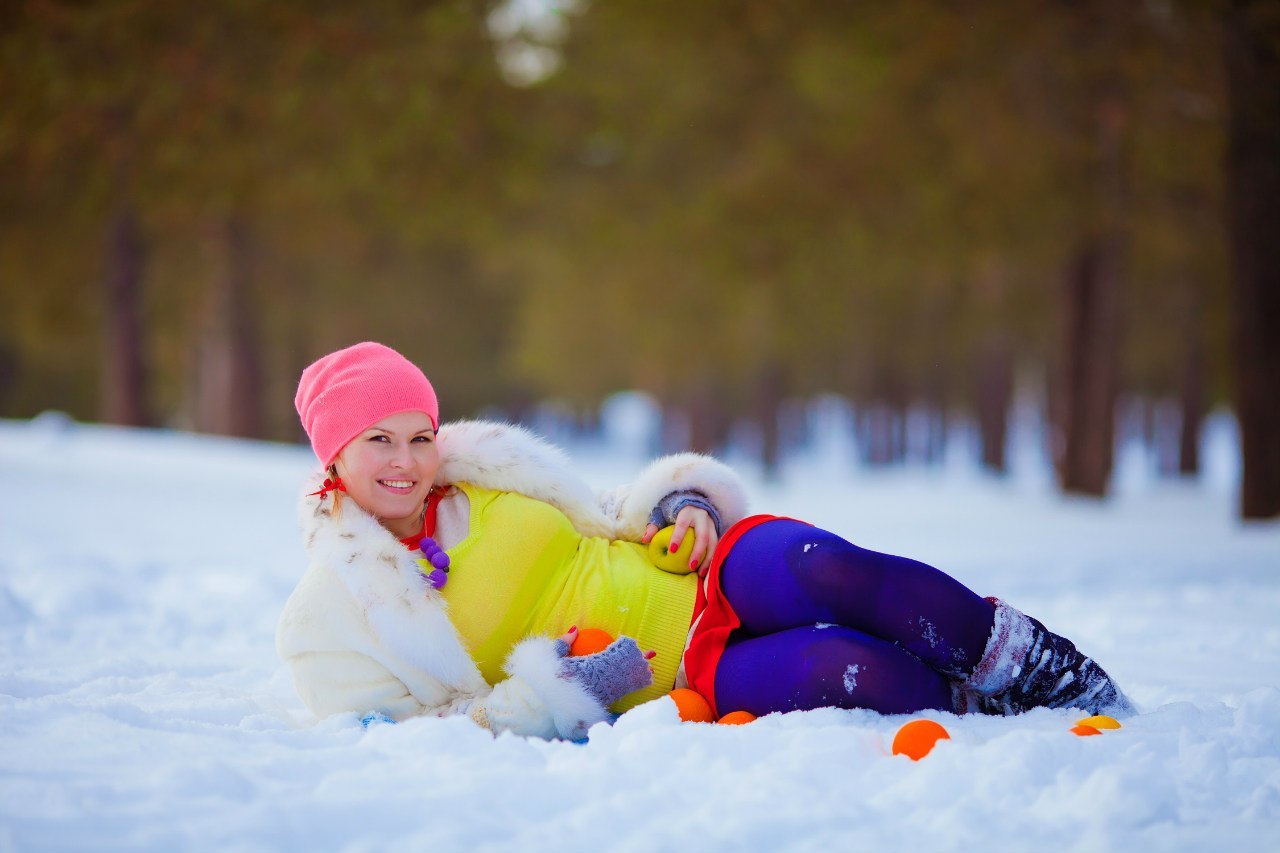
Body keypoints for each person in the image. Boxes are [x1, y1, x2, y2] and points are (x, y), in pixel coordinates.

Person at [277, 342, 1132, 740]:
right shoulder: (329, 617)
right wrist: (551, 695)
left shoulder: (486, 473)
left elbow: (603, 509)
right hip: (678, 671)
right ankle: (975, 705)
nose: (406, 461)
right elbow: (409, 737)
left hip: (705, 570)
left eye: (419, 435)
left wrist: (678, 503)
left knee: (833, 570)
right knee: (842, 664)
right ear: (332, 456)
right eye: (377, 441)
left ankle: (1039, 667)